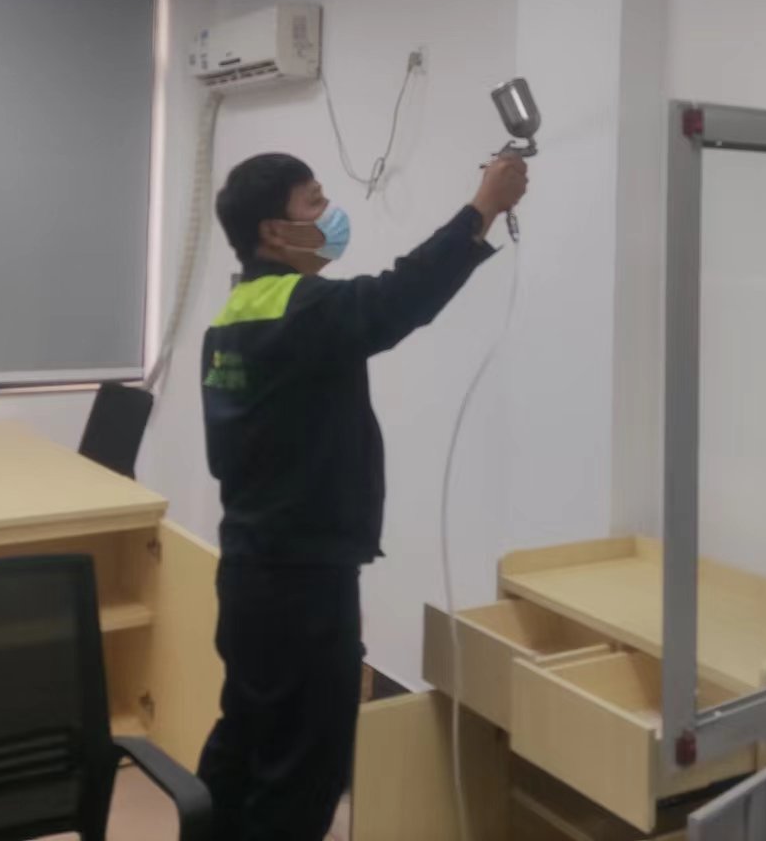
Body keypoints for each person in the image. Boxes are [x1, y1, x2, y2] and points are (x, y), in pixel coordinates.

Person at [196, 150, 529, 840]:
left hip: (250, 576)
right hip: (302, 586)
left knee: (245, 744)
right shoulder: (303, 313)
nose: (331, 215)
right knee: (303, 771)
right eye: (314, 203)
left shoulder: (233, 317)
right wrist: (483, 208)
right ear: (274, 232)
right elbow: (402, 295)